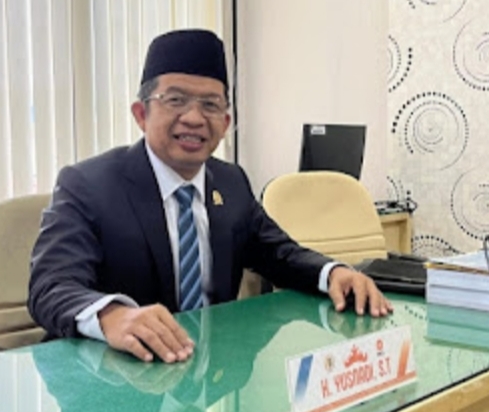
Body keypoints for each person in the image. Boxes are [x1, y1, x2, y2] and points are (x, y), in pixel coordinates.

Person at [28, 29, 392, 365]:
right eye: (175, 100)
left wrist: (333, 272)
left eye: (211, 105)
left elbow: (279, 253)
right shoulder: (87, 185)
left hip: (206, 375)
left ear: (225, 123)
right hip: (112, 378)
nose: (193, 118)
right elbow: (50, 287)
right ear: (141, 114)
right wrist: (112, 316)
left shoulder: (231, 182)